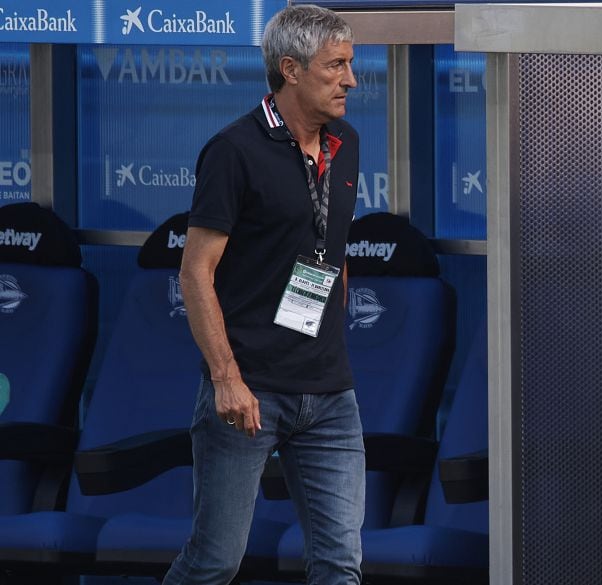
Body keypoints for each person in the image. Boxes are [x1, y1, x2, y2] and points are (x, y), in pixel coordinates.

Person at [164, 6, 364, 584]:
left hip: (330, 393)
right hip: (249, 391)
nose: (351, 80)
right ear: (290, 69)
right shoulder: (233, 150)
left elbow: (334, 247)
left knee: (340, 564)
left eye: (350, 64)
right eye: (336, 66)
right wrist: (226, 377)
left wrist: (328, 336)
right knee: (214, 561)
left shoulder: (346, 142)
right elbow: (195, 272)